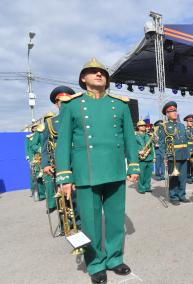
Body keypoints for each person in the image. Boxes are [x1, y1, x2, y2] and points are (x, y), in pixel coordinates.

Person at [55, 58, 140, 283]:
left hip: (113, 168)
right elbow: (63, 142)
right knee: (91, 222)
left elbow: (129, 138)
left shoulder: (120, 105)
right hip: (86, 172)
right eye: (92, 72)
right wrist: (64, 175)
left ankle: (114, 258)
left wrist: (133, 164)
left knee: (114, 218)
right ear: (83, 78)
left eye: (102, 72)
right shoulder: (72, 105)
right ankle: (95, 263)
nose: (99, 74)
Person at [41, 86, 76, 215]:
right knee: (64, 199)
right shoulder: (50, 122)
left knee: (82, 197)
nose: (64, 102)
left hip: (79, 163)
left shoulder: (79, 119)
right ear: (56, 104)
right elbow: (44, 146)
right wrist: (45, 164)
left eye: (67, 99)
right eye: (60, 100)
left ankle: (84, 226)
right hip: (60, 165)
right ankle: (67, 226)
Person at [157, 101, 190, 205]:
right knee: (174, 177)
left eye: (175, 110)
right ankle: (174, 196)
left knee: (183, 177)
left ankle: (182, 194)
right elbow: (162, 143)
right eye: (171, 111)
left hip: (183, 154)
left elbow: (185, 140)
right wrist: (164, 156)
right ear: (167, 114)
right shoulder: (164, 126)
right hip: (173, 155)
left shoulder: (181, 125)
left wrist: (188, 154)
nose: (174, 112)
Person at [135, 120, 155, 194]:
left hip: (149, 157)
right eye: (141, 125)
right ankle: (141, 188)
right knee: (142, 175)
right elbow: (132, 147)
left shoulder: (148, 135)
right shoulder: (135, 136)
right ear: (138, 127)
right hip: (141, 158)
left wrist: (154, 157)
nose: (143, 126)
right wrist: (138, 151)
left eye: (144, 125)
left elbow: (152, 147)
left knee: (148, 174)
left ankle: (147, 187)